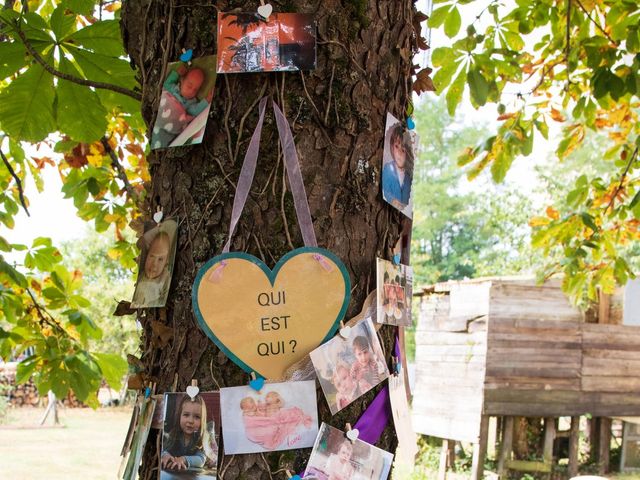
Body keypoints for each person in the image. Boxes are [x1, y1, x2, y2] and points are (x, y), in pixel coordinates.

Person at [151, 64, 212, 149]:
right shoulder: (173, 88)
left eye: (195, 90)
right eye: (189, 86)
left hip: (174, 122)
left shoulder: (191, 102)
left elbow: (194, 111)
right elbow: (166, 84)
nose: (191, 91)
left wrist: (207, 100)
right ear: (182, 80)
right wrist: (177, 73)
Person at [161, 395, 209, 478]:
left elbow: (201, 459)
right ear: (179, 415)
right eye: (186, 415)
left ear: (202, 420)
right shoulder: (173, 434)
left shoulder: (201, 437)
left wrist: (183, 459)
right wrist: (165, 455)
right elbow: (163, 449)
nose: (190, 421)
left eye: (197, 417)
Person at [131, 231, 172, 308]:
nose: (154, 264)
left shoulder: (166, 279)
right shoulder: (142, 276)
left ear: (166, 262)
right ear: (146, 256)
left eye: (160, 259)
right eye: (151, 256)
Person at [382, 121, 414, 210]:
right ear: (392, 147)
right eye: (396, 146)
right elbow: (385, 189)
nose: (399, 153)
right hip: (387, 207)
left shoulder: (408, 176)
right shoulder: (388, 168)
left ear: (408, 154)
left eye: (403, 150)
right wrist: (392, 200)